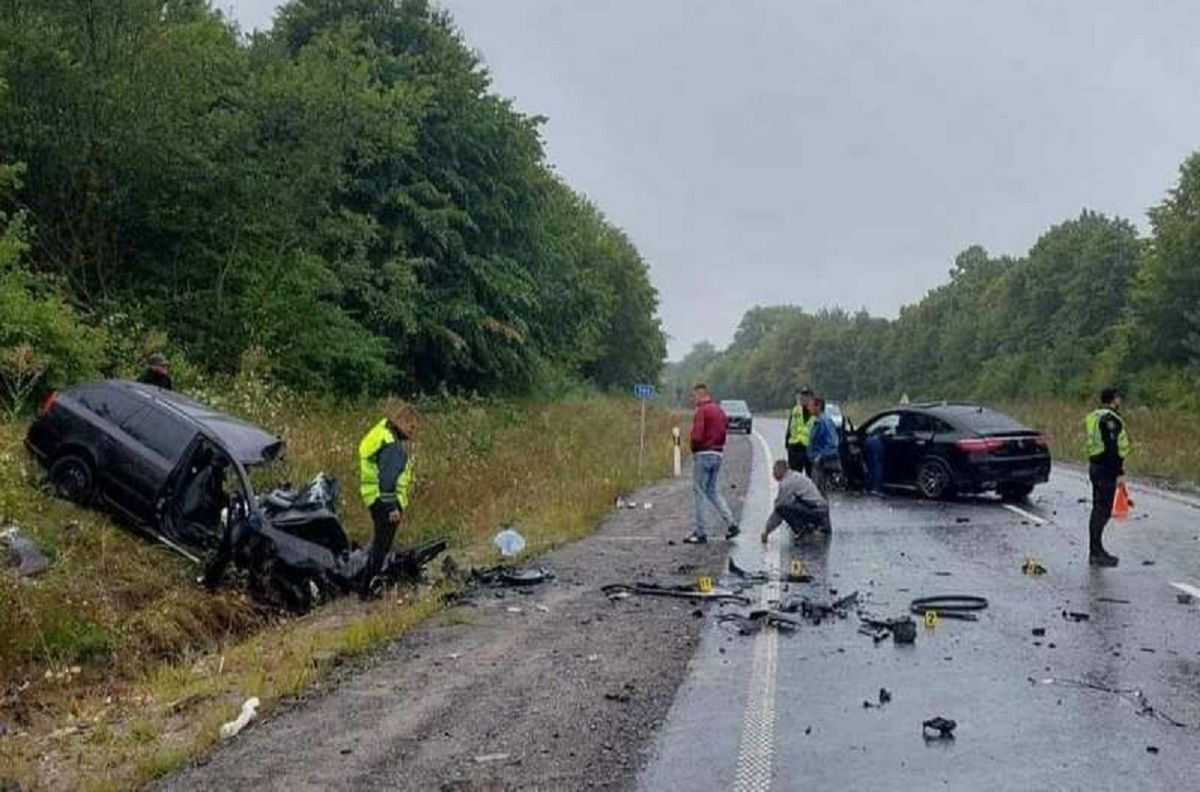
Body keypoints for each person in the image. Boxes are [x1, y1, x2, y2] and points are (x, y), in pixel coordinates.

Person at [358, 400, 418, 596]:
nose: (413, 431)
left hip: (373, 496)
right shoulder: (393, 446)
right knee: (381, 546)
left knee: (378, 544)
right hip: (385, 501)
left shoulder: (381, 432)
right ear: (402, 421)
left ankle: (367, 584)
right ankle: (368, 589)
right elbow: (388, 479)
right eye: (411, 426)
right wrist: (392, 507)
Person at [687, 383, 738, 543]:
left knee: (699, 491)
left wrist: (693, 448)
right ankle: (731, 523)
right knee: (712, 491)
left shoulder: (701, 410)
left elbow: (697, 436)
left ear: (700, 394)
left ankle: (700, 532)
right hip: (718, 453)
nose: (693, 399)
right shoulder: (719, 410)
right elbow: (725, 429)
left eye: (694, 396)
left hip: (704, 454)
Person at [1085, 386, 1129, 568]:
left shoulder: (1095, 416)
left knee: (1098, 509)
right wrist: (1119, 472)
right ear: (1113, 399)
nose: (1120, 400)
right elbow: (1112, 448)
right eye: (1119, 397)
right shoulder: (1110, 420)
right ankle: (1096, 552)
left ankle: (1096, 550)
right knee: (1102, 511)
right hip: (1106, 469)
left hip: (1096, 466)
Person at [760, 459, 830, 543]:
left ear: (781, 470)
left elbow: (778, 510)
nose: (773, 474)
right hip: (821, 509)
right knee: (792, 503)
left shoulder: (787, 483)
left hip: (816, 510)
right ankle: (810, 525)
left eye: (774, 470)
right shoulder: (795, 475)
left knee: (782, 507)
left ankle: (802, 529)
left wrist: (766, 532)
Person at [807, 397, 842, 496]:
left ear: (818, 407)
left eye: (811, 406)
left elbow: (833, 443)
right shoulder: (818, 421)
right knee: (817, 491)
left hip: (822, 463)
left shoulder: (824, 422)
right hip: (817, 462)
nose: (808, 408)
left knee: (818, 492)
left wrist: (821, 456)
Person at [785, 388, 814, 474]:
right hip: (795, 447)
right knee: (795, 476)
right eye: (802, 395)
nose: (803, 398)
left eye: (806, 396)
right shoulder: (796, 411)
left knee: (811, 476)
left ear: (811, 398)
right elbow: (790, 427)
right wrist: (787, 443)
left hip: (809, 448)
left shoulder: (815, 412)